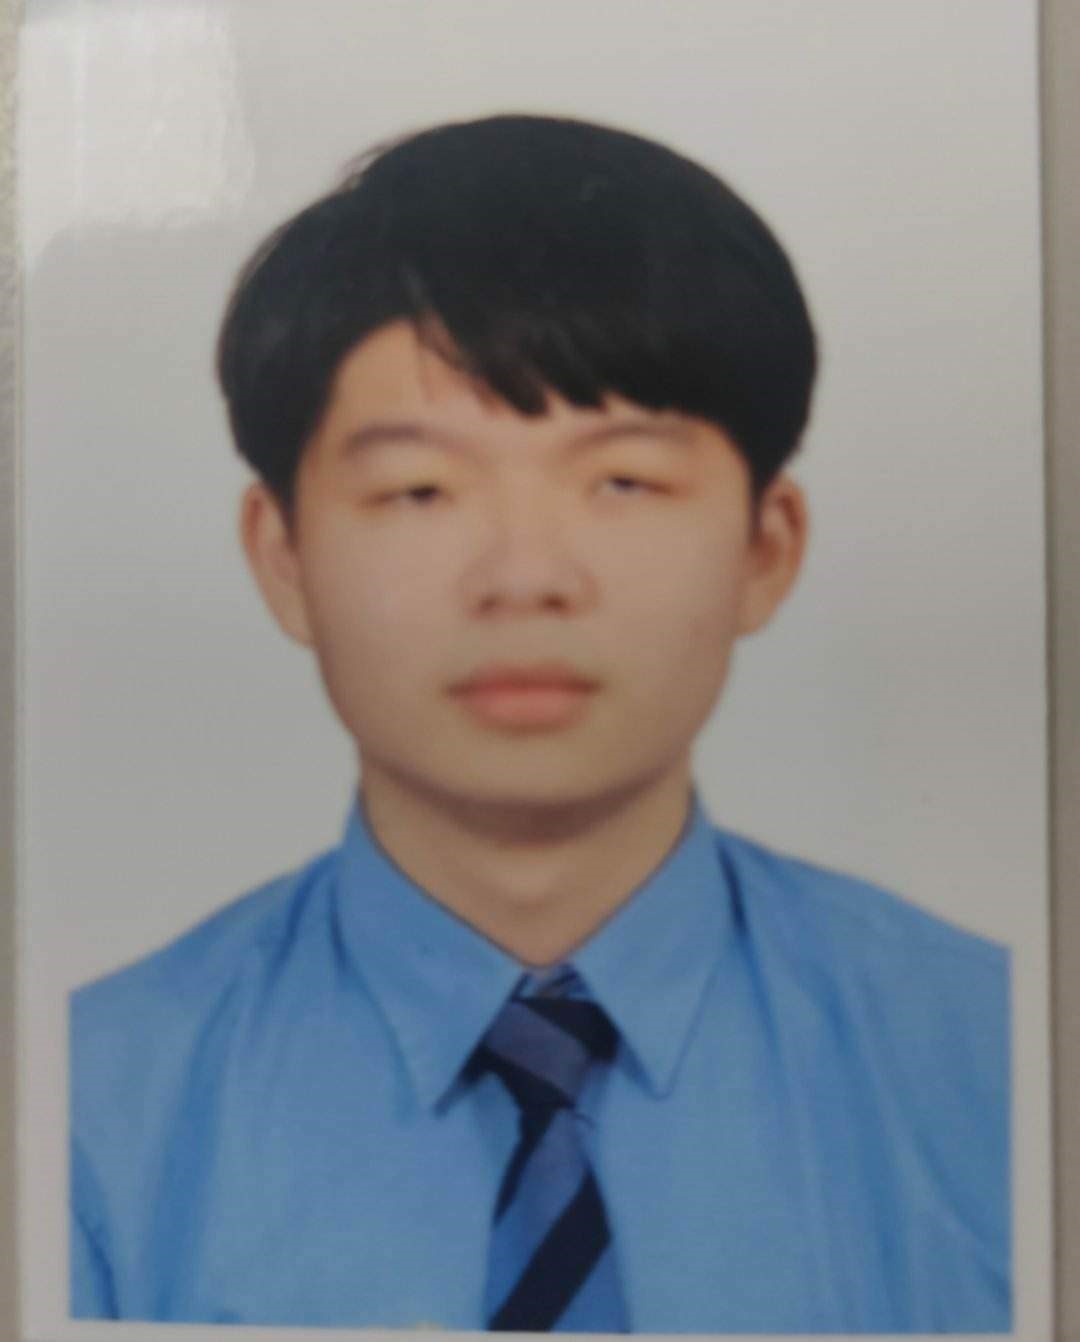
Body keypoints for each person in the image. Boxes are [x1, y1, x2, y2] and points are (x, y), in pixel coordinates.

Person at [69, 113, 1010, 1332]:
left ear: (766, 548)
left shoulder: (1003, 1063)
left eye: (623, 480)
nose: (524, 577)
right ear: (283, 555)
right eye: (420, 489)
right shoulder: (85, 1113)